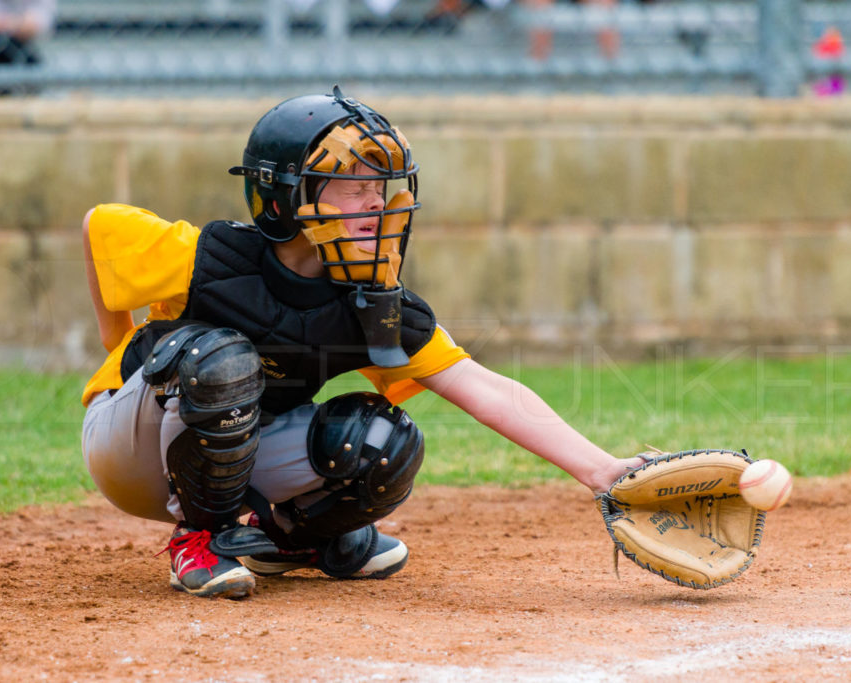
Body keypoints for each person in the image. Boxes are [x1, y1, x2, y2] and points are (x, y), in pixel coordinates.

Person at [81, 86, 643, 600]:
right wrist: (119, 344)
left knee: (381, 442)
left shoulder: (372, 299)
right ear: (284, 196)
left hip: (232, 456)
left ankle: (285, 539)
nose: (377, 203)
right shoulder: (210, 257)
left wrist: (605, 471)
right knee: (221, 358)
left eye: (380, 189)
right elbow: (99, 226)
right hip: (130, 446)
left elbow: (485, 388)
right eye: (355, 190)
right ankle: (199, 540)